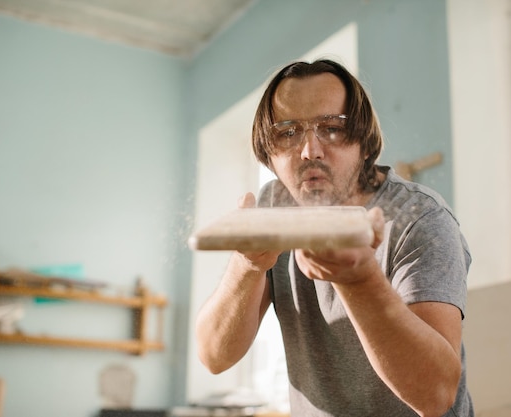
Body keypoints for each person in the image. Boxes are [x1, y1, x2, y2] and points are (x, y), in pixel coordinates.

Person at [195, 59, 473, 417]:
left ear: (364, 142)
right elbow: (213, 357)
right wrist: (246, 265)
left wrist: (359, 281)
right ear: (269, 154)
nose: (310, 150)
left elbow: (436, 395)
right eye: (288, 132)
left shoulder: (419, 218)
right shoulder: (273, 209)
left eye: (332, 128)